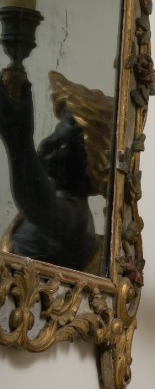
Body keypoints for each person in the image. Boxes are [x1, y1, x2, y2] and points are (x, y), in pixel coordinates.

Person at [0, 70, 112, 271]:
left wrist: (19, 139)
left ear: (90, 162)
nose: (44, 146)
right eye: (54, 135)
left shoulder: (76, 219)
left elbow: (38, 204)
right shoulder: (57, 200)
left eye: (61, 144)